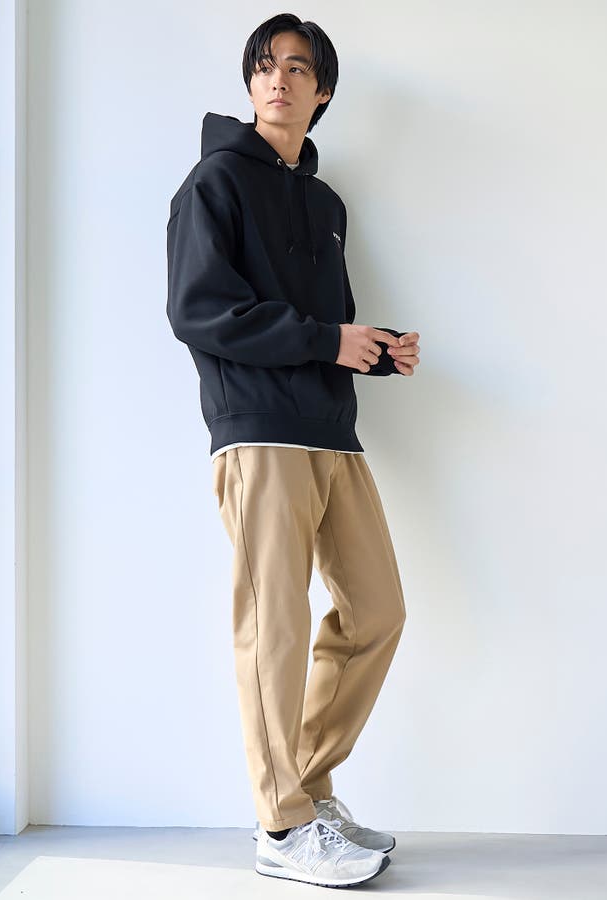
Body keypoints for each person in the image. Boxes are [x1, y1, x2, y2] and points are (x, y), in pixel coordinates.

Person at [166, 12, 421, 889]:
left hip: (331, 434)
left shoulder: (325, 204)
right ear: (251, 83)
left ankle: (304, 790)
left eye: (299, 68)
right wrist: (325, 339)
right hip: (258, 431)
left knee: (377, 610)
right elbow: (199, 311)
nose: (279, 79)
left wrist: (375, 351)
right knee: (273, 626)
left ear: (323, 92)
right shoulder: (213, 183)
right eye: (266, 65)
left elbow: (327, 325)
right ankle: (281, 827)